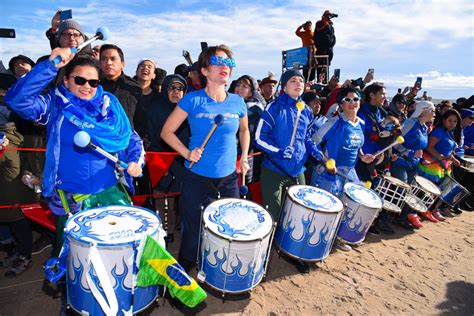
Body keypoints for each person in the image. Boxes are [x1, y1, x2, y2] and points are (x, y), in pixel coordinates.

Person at [5, 50, 145, 254]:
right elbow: (17, 99)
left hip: (109, 194)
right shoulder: (55, 105)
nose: (87, 87)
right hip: (72, 200)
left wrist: (135, 161)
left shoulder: (109, 107)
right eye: (80, 80)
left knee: (118, 256)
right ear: (66, 79)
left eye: (93, 82)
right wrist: (49, 66)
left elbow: (132, 138)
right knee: (78, 264)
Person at [161, 44, 250, 272]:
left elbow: (244, 131)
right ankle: (183, 277)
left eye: (228, 63)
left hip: (229, 179)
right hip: (196, 178)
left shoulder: (238, 102)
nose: (225, 67)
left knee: (227, 228)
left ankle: (218, 271)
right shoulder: (192, 100)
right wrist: (187, 153)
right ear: (204, 70)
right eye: (218, 62)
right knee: (192, 231)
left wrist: (245, 157)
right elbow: (166, 132)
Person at [255, 69, 320, 273]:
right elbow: (259, 138)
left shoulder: (306, 111)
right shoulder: (274, 107)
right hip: (274, 169)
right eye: (292, 80)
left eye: (301, 80)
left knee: (300, 214)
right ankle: (261, 256)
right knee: (272, 215)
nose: (298, 83)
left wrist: (316, 152)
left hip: (297, 169)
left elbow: (307, 138)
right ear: (284, 86)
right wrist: (279, 151)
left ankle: (294, 253)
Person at [391, 101, 436, 229]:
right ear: (424, 111)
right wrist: (410, 153)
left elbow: (419, 148)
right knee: (401, 190)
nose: (434, 113)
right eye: (432, 111)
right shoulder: (410, 123)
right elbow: (395, 141)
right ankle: (386, 219)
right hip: (400, 161)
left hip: (413, 164)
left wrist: (421, 159)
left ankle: (401, 218)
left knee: (409, 191)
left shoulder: (424, 127)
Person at [418, 109, 462, 220]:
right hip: (433, 165)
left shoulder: (449, 133)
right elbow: (429, 147)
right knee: (428, 190)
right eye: (450, 120)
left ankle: (431, 210)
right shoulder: (439, 131)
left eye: (455, 121)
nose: (452, 123)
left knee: (438, 190)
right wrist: (441, 158)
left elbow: (447, 150)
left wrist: (453, 159)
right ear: (444, 120)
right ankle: (420, 211)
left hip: (443, 165)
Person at [234, 75, 265, 183]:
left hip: (247, 154)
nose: (239, 88)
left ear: (251, 92)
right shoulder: (231, 105)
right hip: (231, 153)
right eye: (238, 85)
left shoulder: (255, 109)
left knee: (245, 185)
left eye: (244, 86)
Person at [313, 10, 337, 83]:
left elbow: (332, 36)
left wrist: (332, 43)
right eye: (328, 15)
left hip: (329, 49)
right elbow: (318, 33)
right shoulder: (320, 23)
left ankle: (325, 82)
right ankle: (319, 83)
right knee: (320, 66)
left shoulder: (330, 26)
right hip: (321, 48)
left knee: (326, 66)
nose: (329, 17)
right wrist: (326, 17)